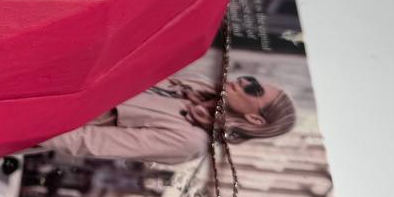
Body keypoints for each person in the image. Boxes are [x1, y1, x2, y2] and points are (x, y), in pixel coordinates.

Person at [39, 72, 296, 163]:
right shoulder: (198, 85)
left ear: (255, 120)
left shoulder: (189, 141)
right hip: (54, 82)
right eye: (252, 79)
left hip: (44, 118)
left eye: (254, 89)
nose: (244, 81)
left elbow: (87, 142)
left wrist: (26, 127)